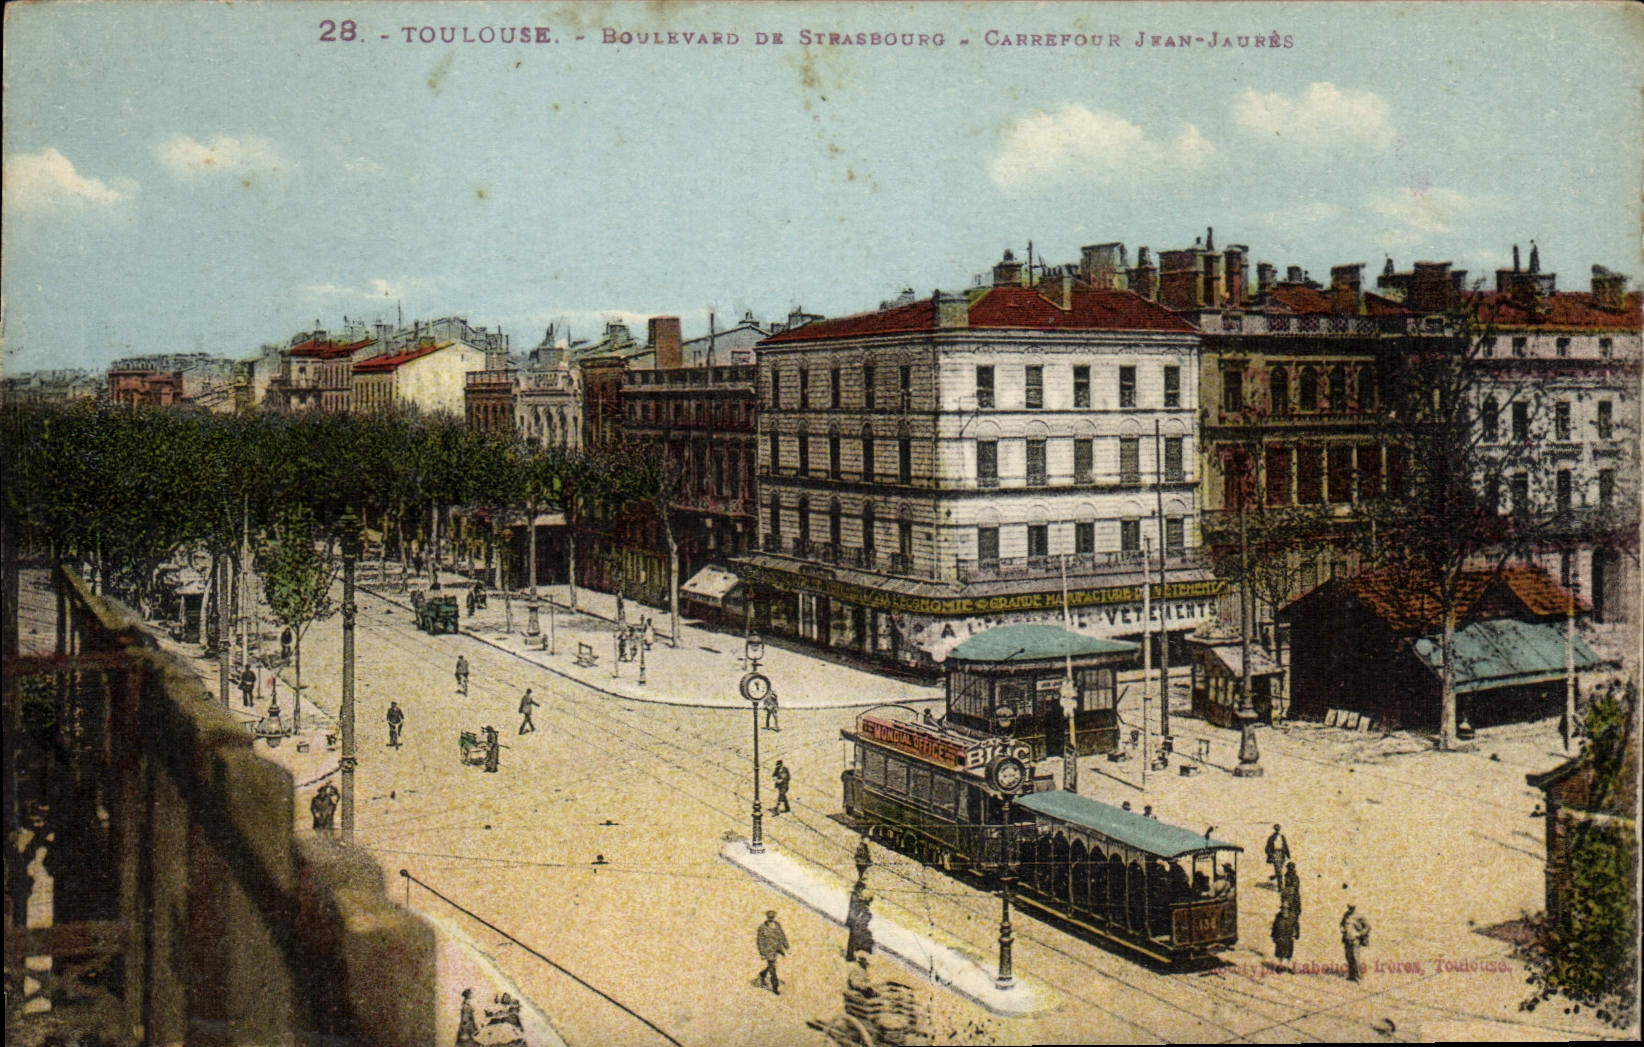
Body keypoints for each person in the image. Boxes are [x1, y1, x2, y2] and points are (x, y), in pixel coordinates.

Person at [755, 910, 789, 994]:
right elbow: (760, 941)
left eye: (772, 917)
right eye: (770, 918)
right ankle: (775, 987)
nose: (771, 919)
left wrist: (786, 945)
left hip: (776, 948)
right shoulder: (762, 928)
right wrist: (762, 953)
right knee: (773, 969)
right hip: (768, 951)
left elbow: (782, 935)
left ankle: (762, 974)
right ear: (767, 918)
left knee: (770, 966)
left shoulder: (777, 925)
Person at [845, 881, 875, 962]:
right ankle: (859, 895)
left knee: (856, 918)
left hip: (856, 931)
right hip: (856, 932)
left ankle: (858, 894)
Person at [1340, 904, 1370, 982]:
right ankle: (1351, 976)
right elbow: (1342, 924)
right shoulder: (1346, 915)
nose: (1350, 909)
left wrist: (1359, 934)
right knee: (1348, 957)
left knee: (1355, 958)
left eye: (1352, 908)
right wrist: (1342, 929)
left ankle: (1358, 977)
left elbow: (1368, 927)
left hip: (1355, 940)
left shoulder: (1359, 916)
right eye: (1349, 908)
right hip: (1347, 939)